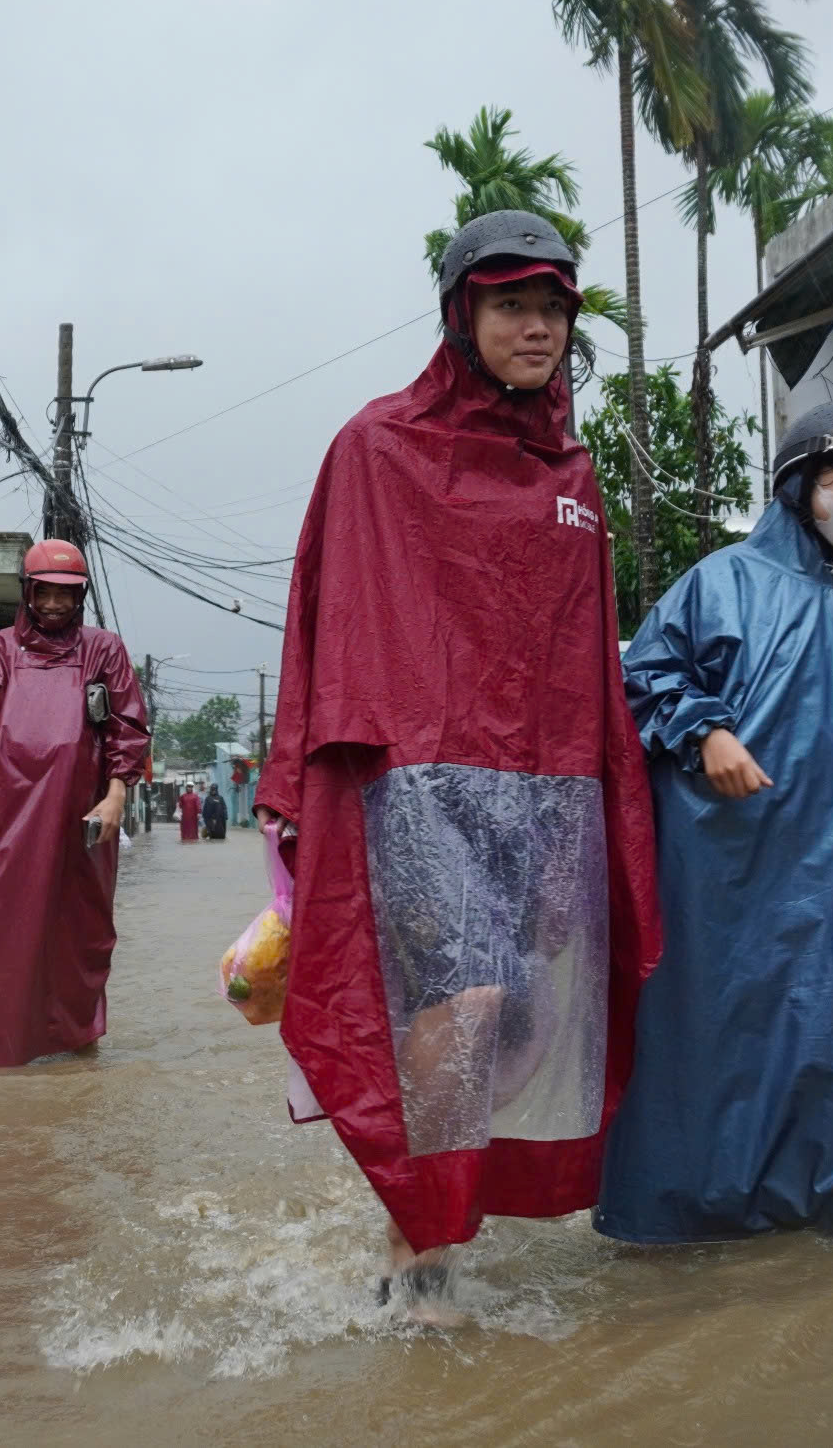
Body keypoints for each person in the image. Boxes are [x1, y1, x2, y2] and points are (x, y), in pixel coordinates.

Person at [256, 210, 660, 1311]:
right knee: (464, 998)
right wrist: (302, 788)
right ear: (460, 314)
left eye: (552, 309)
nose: (536, 328)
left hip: (545, 797)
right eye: (510, 305)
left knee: (526, 1015)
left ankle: (431, 1203)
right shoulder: (377, 447)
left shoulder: (571, 473)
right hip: (418, 787)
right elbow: (323, 618)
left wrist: (604, 798)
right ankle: (417, 1244)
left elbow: (583, 652)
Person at [594, 399, 833, 1247]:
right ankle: (688, 1225)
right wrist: (707, 730)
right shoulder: (722, 583)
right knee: (720, 1045)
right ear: (803, 487)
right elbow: (643, 678)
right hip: (736, 885)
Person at [0, 540, 149, 1065]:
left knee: (81, 929)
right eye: (46, 593)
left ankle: (77, 1039)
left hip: (78, 818)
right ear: (28, 593)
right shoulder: (0, 650)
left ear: (80, 597)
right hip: (6, 818)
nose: (56, 605)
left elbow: (128, 729)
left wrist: (115, 796)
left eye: (67, 595)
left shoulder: (103, 649)